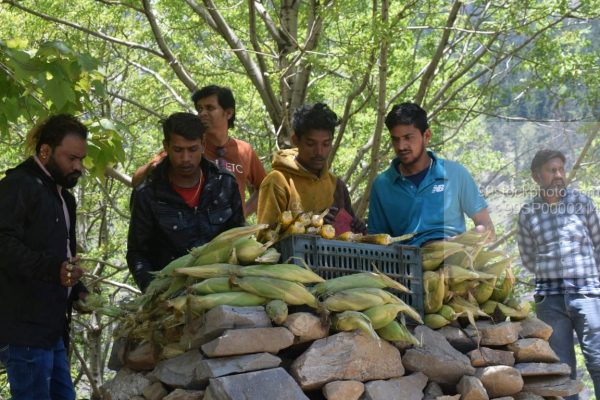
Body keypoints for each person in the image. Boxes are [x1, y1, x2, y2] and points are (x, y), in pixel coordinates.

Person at [0, 114, 88, 400]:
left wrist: (77, 290)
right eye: (71, 158)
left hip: (52, 329)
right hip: (23, 329)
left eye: (81, 159)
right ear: (45, 151)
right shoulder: (18, 185)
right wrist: (54, 270)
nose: (78, 167)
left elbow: (64, 256)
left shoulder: (65, 198)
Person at [127, 112, 244, 292]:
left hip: (223, 288)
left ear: (203, 145)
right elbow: (137, 253)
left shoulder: (224, 183)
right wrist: (154, 291)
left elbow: (239, 236)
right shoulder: (148, 194)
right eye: (178, 150)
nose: (185, 159)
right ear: (166, 147)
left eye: (192, 149)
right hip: (171, 295)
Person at [517, 149, 600, 399]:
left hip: (587, 295)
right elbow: (528, 257)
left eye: (561, 169)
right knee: (561, 372)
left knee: (598, 360)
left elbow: (598, 245)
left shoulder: (582, 203)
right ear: (536, 176)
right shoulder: (528, 212)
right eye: (551, 170)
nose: (558, 175)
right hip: (549, 301)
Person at [368, 102, 494, 246]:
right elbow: (377, 243)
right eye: (395, 139)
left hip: (454, 260)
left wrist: (455, 243)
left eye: (408, 137)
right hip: (407, 263)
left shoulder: (454, 174)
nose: (401, 146)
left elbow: (488, 229)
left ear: (426, 135)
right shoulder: (382, 185)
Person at [132, 85, 266, 217]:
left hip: (232, 235)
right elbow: (137, 180)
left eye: (210, 108)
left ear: (228, 113)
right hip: (194, 232)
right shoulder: (189, 147)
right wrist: (155, 165)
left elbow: (265, 187)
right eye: (199, 108)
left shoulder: (244, 150)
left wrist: (242, 213)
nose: (202, 113)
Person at [257, 102, 366, 233]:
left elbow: (348, 238)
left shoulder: (337, 187)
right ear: (295, 140)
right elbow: (264, 237)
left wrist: (358, 230)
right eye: (310, 144)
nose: (319, 152)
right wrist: (311, 226)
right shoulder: (278, 182)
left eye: (326, 144)